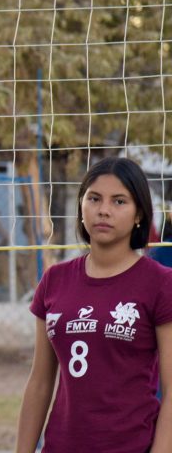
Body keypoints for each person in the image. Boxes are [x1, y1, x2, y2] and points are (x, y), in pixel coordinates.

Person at [15, 156, 172, 452]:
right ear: (81, 206)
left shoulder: (161, 283)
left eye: (119, 202)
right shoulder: (55, 280)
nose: (104, 210)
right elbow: (39, 382)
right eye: (94, 198)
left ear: (139, 213)